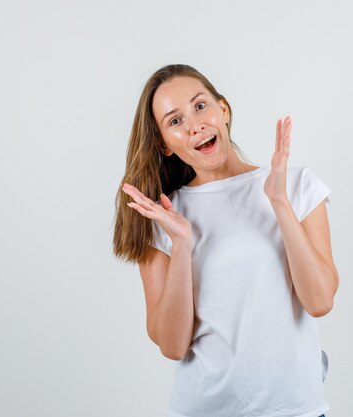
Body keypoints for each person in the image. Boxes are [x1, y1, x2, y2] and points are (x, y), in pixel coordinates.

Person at [112, 64, 339, 417]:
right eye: (175, 121)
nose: (194, 125)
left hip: (296, 411)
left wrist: (278, 201)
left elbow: (320, 300)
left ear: (224, 110)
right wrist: (183, 242)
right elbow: (172, 345)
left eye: (200, 106)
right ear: (163, 144)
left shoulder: (297, 186)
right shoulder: (165, 215)